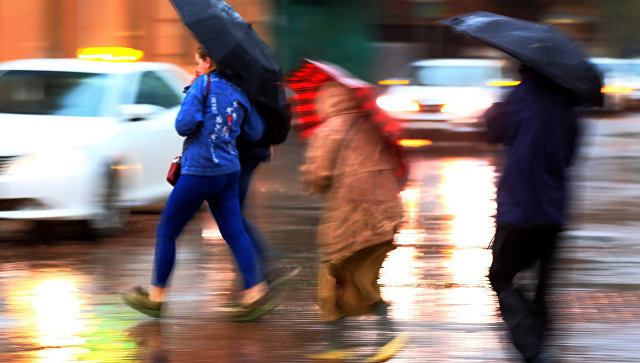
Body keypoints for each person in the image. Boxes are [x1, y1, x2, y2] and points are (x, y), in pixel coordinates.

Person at [121, 46, 276, 321]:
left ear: (209, 60)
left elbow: (183, 125)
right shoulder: (239, 90)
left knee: (167, 231)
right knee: (235, 232)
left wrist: (193, 97)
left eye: (198, 63)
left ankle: (156, 297)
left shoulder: (201, 85)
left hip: (199, 171)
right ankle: (255, 291)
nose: (196, 69)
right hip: (228, 171)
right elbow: (255, 131)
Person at [300, 81, 407, 361]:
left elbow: (317, 176)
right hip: (387, 216)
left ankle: (377, 336)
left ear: (325, 103)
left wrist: (310, 175)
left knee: (333, 277)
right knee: (358, 277)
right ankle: (345, 342)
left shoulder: (329, 130)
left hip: (353, 220)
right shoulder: (372, 125)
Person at [485, 64, 580, 363]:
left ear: (524, 69)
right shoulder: (566, 103)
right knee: (543, 284)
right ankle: (539, 344)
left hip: (519, 206)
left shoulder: (518, 97)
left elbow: (493, 131)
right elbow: (568, 154)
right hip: (554, 208)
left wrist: (494, 110)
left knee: (500, 277)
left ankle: (531, 346)